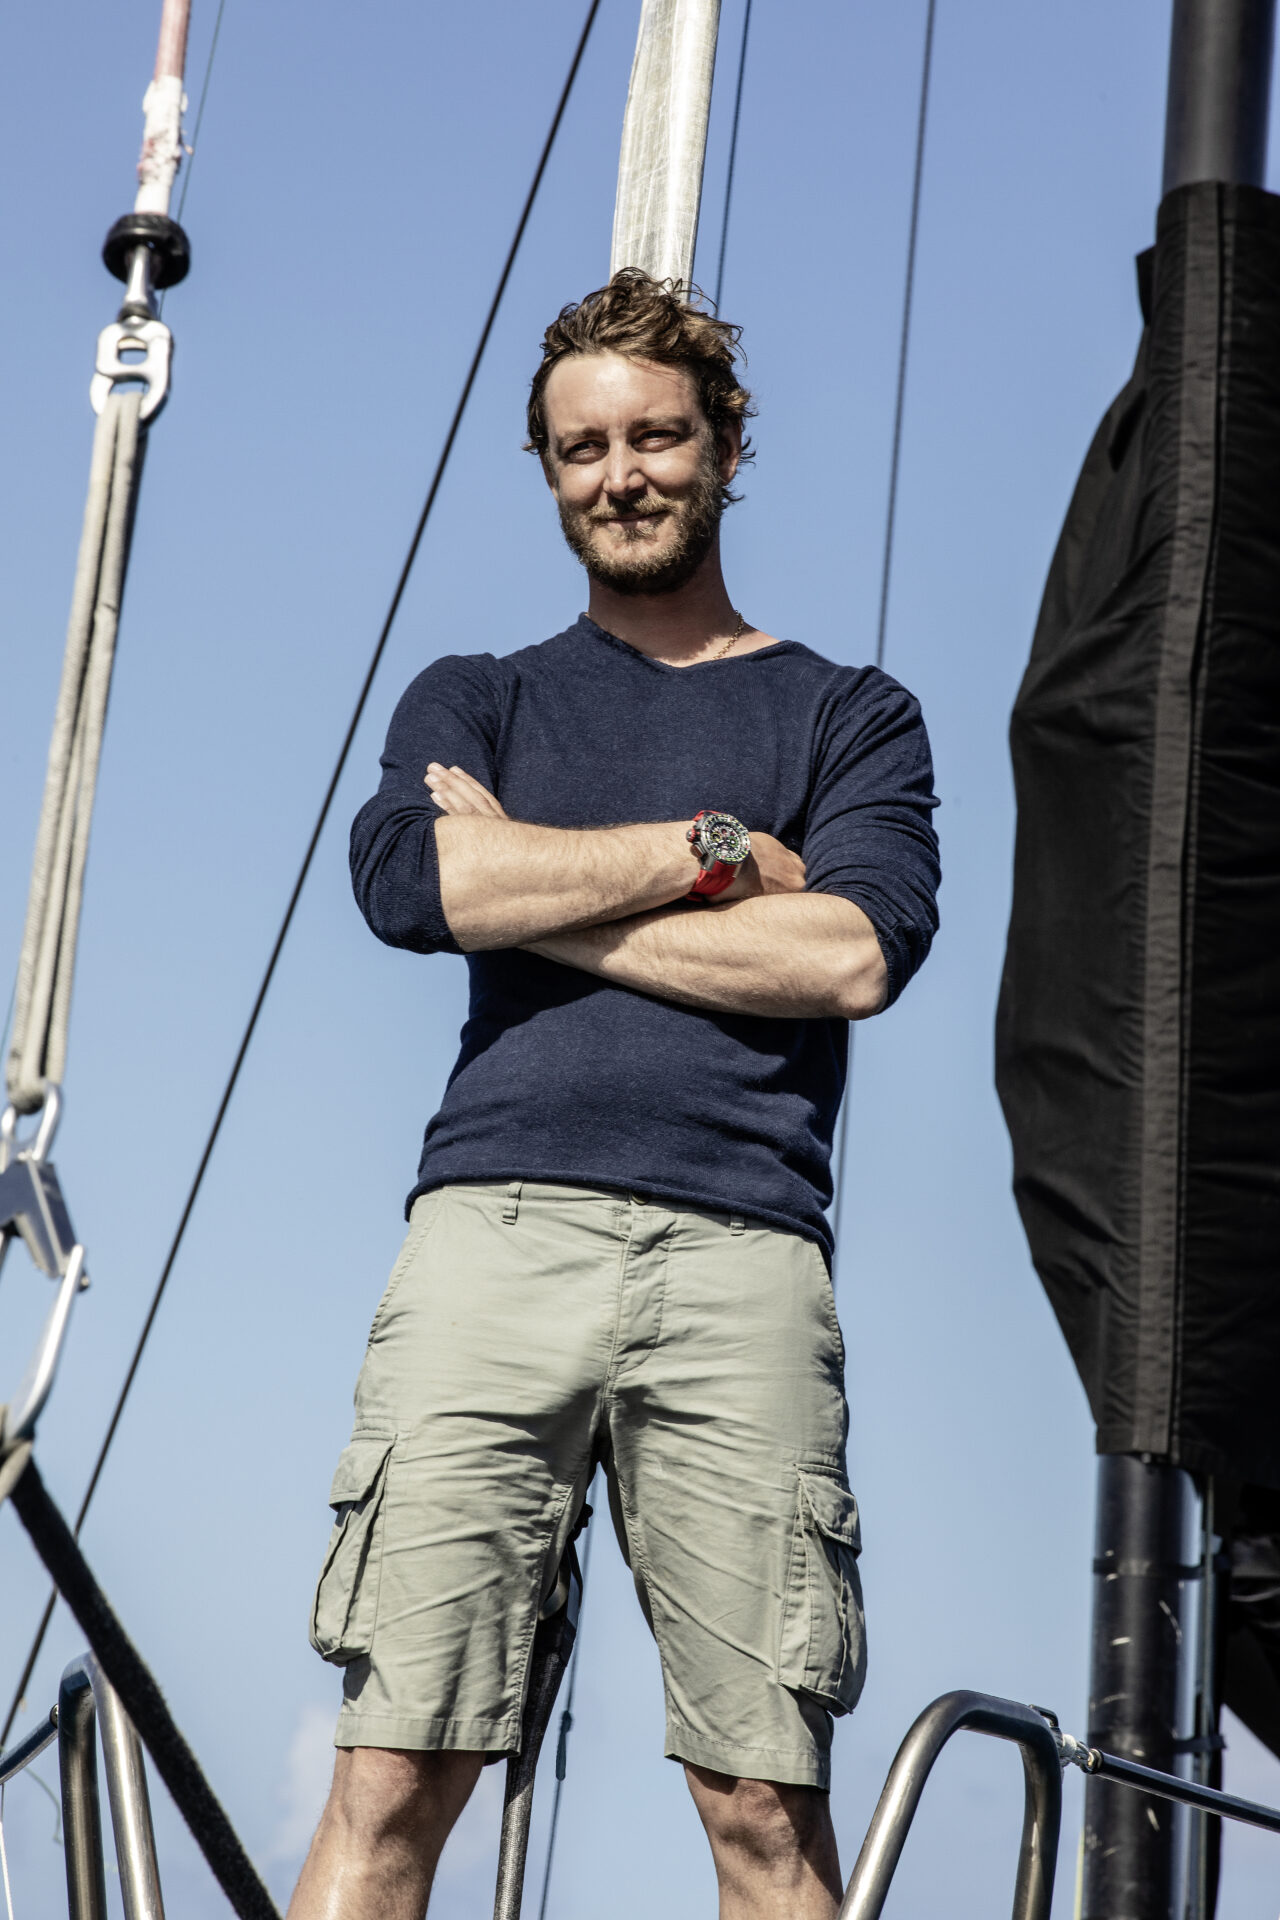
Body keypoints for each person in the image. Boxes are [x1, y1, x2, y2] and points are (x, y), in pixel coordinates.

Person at [288, 270, 940, 1920]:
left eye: (658, 434)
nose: (622, 473)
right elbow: (403, 881)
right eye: (584, 449)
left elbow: (853, 957)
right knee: (390, 1777)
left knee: (764, 1815)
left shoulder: (852, 715)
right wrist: (714, 855)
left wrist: (538, 890)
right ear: (550, 470)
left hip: (746, 1266)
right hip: (491, 1242)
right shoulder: (478, 693)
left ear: (726, 447)